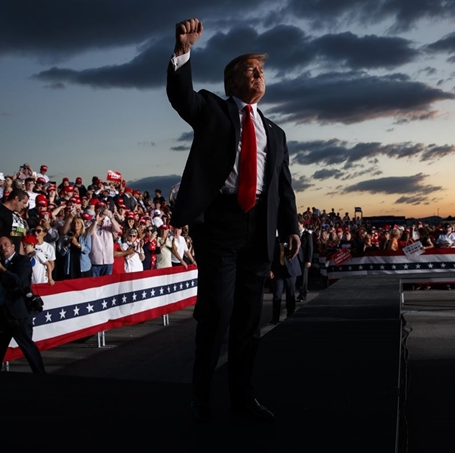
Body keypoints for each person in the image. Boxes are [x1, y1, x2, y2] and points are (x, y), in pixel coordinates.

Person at [167, 18, 300, 422]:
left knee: (247, 321)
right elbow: (181, 98)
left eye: (261, 69)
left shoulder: (274, 132)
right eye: (250, 68)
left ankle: (243, 397)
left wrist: (290, 226)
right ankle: (200, 397)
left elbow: (283, 185)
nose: (258, 73)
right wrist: (183, 51)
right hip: (220, 224)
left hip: (259, 228)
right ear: (232, 81)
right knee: (216, 315)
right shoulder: (212, 108)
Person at [0, 236, 46, 374]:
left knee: (27, 346)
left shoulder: (22, 261)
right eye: (0, 246)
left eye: (6, 245)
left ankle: (41, 375)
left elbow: (20, 282)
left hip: (17, 313)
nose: (3, 248)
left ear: (13, 246)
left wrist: (3, 270)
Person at [269, 239, 301, 324]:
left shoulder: (292, 238)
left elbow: (298, 249)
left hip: (290, 270)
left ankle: (290, 315)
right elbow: (270, 254)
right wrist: (270, 269)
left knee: (290, 294)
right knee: (277, 295)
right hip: (277, 271)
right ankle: (275, 318)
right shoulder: (274, 240)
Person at [296, 215, 313, 301]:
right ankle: (300, 293)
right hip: (296, 259)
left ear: (302, 224)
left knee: (304, 278)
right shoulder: (295, 235)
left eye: (298, 225)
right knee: (298, 278)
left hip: (304, 259)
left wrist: (309, 260)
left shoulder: (307, 235)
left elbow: (310, 249)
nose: (297, 226)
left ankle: (303, 295)